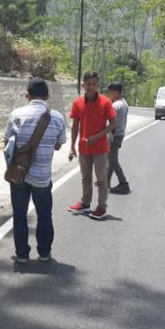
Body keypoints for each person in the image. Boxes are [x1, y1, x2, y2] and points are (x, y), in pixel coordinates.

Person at [4, 77, 66, 263]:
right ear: (47, 96)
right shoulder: (57, 117)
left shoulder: (16, 114)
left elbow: (7, 142)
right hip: (43, 177)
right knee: (44, 215)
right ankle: (44, 252)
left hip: (19, 174)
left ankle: (22, 255)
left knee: (20, 215)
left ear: (27, 95)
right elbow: (59, 144)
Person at [67, 72, 116, 220]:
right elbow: (75, 126)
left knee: (101, 179)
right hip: (84, 147)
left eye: (93, 84)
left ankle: (101, 207)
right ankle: (85, 202)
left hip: (100, 148)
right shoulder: (77, 103)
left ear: (98, 85)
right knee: (85, 177)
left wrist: (97, 137)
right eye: (88, 84)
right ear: (83, 85)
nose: (91, 87)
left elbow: (113, 124)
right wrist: (72, 146)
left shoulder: (106, 102)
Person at [106, 81, 131, 194]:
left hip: (114, 135)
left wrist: (108, 138)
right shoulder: (124, 103)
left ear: (116, 92)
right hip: (120, 134)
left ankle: (123, 183)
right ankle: (106, 182)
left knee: (113, 160)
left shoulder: (115, 106)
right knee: (112, 159)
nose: (109, 94)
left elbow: (112, 124)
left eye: (110, 92)